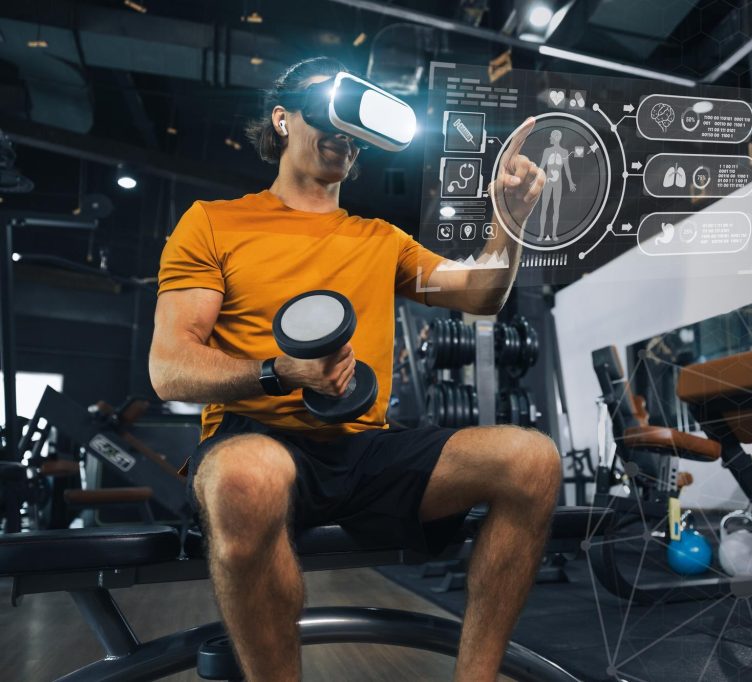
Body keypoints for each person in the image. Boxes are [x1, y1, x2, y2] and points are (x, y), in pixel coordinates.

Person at [149, 57, 551, 682]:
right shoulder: (213, 222)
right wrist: (280, 371)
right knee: (246, 477)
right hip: (256, 438)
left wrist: (510, 221)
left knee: (531, 459)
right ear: (282, 119)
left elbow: (481, 295)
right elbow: (170, 368)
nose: (342, 132)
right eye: (327, 110)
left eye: (355, 122)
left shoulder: (380, 239)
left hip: (364, 448)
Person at [537, 129, 576, 241]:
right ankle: (541, 234)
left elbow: (567, 168)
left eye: (551, 136)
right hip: (547, 182)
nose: (550, 138)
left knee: (556, 208)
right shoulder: (547, 151)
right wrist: (535, 179)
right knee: (544, 208)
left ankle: (554, 234)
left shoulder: (564, 152)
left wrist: (570, 182)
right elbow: (541, 166)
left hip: (558, 183)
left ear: (556, 137)